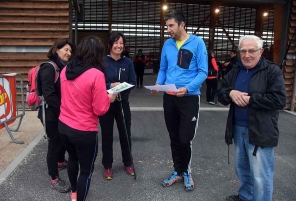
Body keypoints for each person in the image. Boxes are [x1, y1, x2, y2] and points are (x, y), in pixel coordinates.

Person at [218, 35, 286, 201]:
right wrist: (231, 93)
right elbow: (221, 93)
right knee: (242, 169)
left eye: (251, 51)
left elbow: (279, 100)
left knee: (260, 175)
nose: (247, 55)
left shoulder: (272, 70)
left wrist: (251, 99)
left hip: (260, 131)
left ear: (260, 51)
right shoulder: (236, 70)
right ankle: (245, 196)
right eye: (243, 51)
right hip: (238, 128)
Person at [150, 11, 207, 191]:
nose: (168, 30)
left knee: (185, 138)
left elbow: (203, 72)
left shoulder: (197, 43)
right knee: (174, 137)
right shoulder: (167, 44)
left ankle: (187, 172)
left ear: (182, 25)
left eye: (171, 26)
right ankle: (178, 171)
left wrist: (188, 88)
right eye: (167, 26)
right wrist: (159, 83)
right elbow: (163, 68)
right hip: (170, 97)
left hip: (189, 98)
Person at [58, 36, 117, 201]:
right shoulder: (96, 75)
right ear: (97, 54)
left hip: (64, 125)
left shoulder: (65, 69)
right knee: (85, 171)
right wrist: (109, 98)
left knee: (72, 159)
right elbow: (100, 109)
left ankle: (74, 193)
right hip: (84, 130)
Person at [37, 38, 74, 193]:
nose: (68, 53)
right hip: (51, 113)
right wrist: (64, 109)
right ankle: (54, 178)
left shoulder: (63, 67)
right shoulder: (49, 68)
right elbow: (49, 95)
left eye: (70, 51)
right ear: (56, 50)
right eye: (65, 49)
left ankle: (60, 161)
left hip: (61, 112)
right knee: (55, 143)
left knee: (62, 140)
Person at [99, 32, 136, 180]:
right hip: (106, 104)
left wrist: (121, 88)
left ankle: (128, 162)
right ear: (109, 45)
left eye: (121, 43)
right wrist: (110, 85)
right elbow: (98, 82)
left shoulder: (128, 62)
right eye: (116, 43)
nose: (119, 46)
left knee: (125, 134)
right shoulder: (102, 62)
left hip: (123, 103)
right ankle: (107, 165)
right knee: (107, 135)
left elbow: (133, 81)